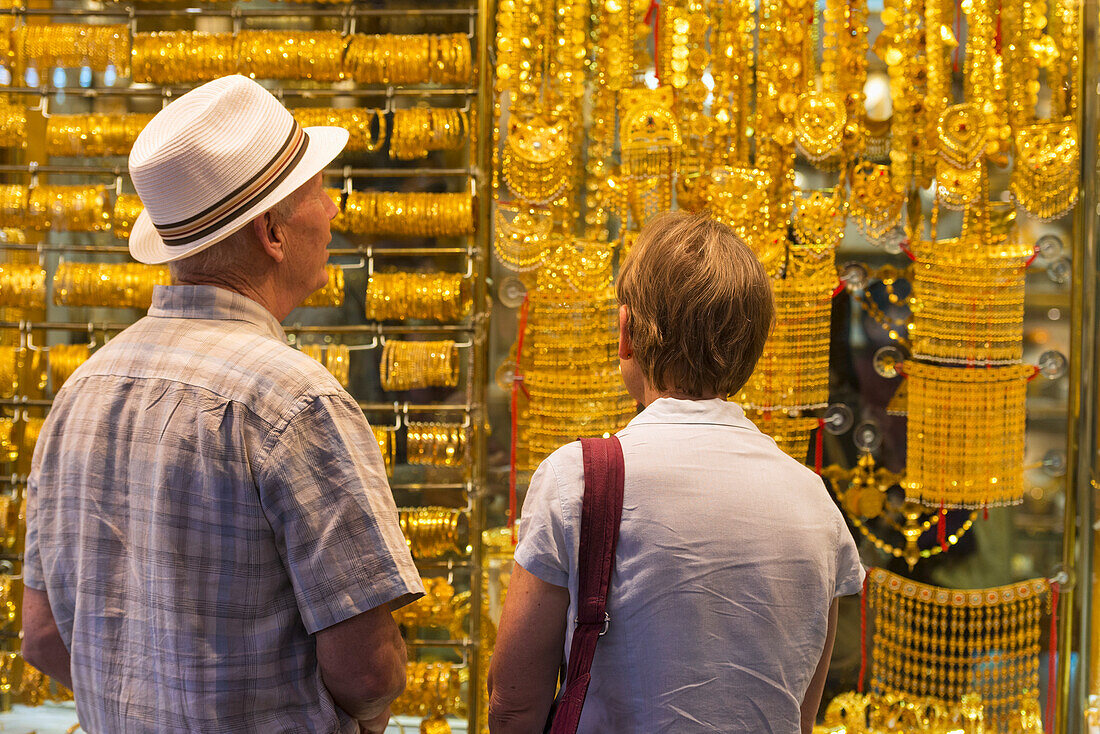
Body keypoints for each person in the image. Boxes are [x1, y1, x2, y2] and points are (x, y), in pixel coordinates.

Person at [21, 75, 424, 734]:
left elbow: (41, 638)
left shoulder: (80, 391)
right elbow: (368, 670)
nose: (331, 210)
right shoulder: (296, 402)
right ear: (272, 231)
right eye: (318, 193)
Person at [487, 211, 865, 733]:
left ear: (626, 334)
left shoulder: (576, 480)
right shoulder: (814, 501)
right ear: (755, 348)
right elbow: (799, 715)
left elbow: (514, 706)